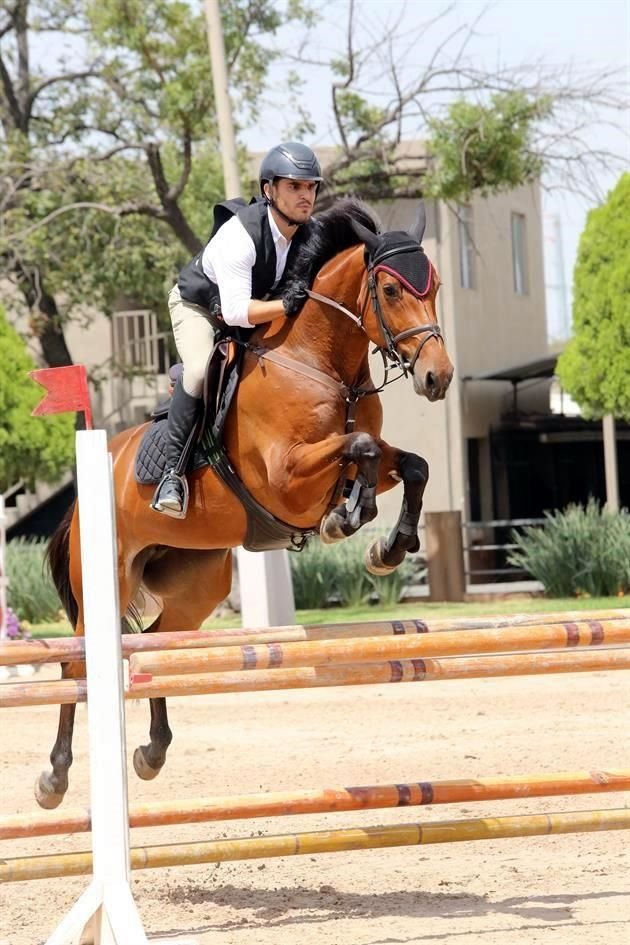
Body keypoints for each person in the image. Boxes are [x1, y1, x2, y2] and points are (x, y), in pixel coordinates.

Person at [151, 141, 323, 518]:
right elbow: (234, 313)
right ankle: (172, 476)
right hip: (201, 308)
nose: (305, 195)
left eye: (310, 187)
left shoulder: (311, 235)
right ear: (269, 190)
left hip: (250, 310)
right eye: (294, 186)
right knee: (198, 370)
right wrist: (286, 305)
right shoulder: (240, 237)